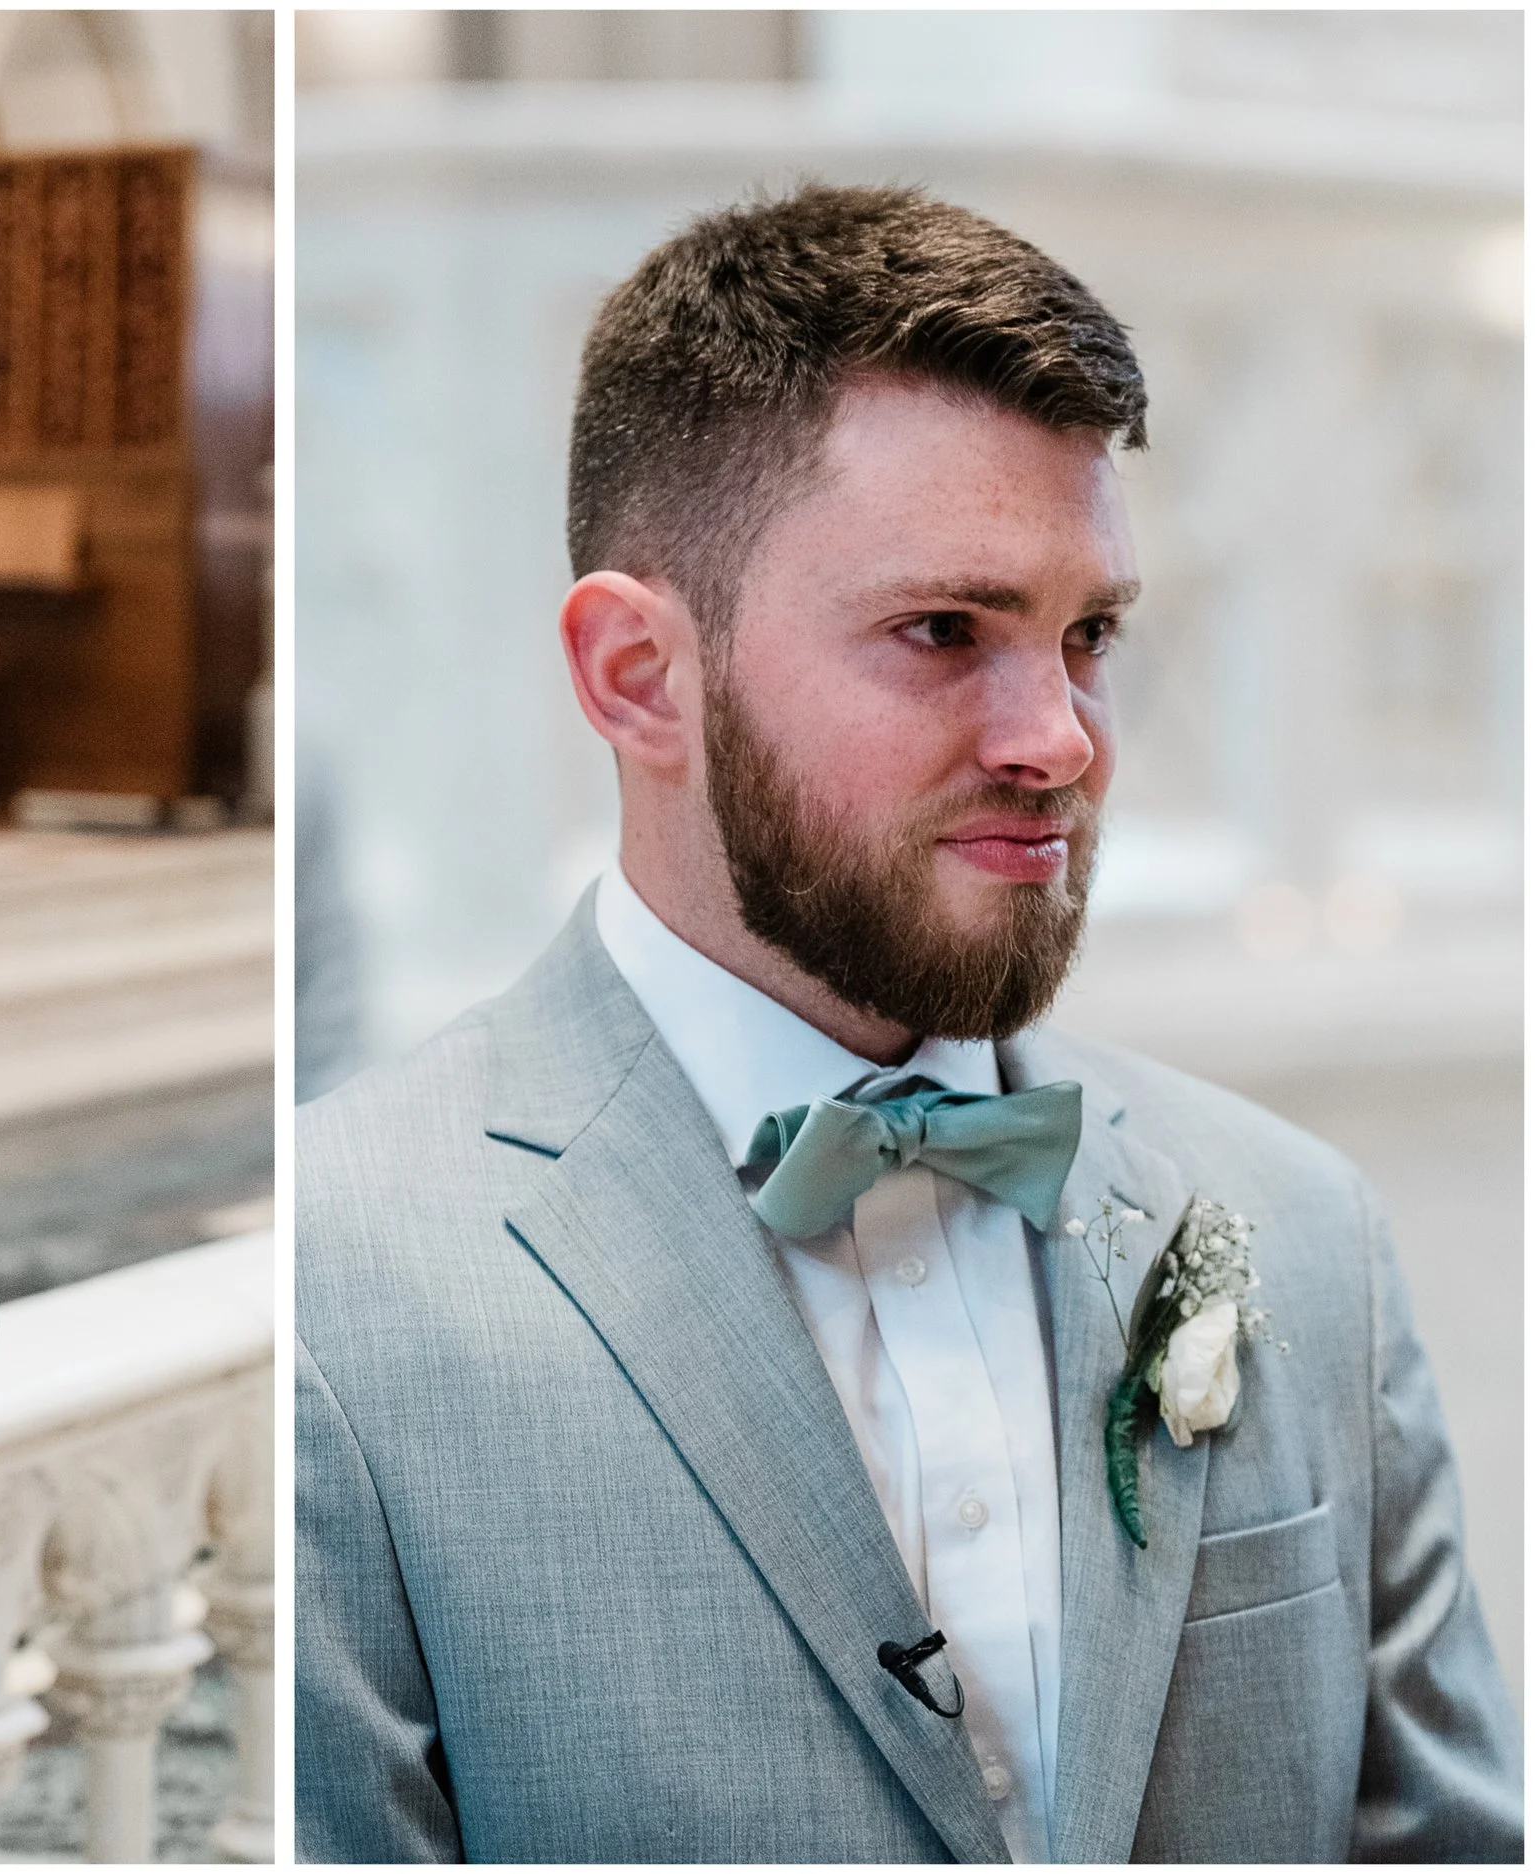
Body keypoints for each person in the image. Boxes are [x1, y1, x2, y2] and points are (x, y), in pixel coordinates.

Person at [295, 185, 1521, 1863]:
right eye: (945, 631)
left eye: (1089, 634)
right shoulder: (342, 1293)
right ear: (639, 675)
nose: (1058, 737)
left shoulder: (1307, 1237)